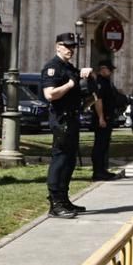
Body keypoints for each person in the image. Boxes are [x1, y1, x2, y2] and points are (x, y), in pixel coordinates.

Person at [40, 32, 87, 218]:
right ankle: (55, 203)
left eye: (73, 46)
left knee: (69, 160)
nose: (71, 50)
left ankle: (64, 199)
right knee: (59, 160)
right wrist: (69, 84)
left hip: (72, 118)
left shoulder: (68, 67)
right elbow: (49, 94)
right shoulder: (53, 67)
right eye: (67, 46)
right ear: (57, 46)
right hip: (61, 120)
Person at [88, 57, 125, 181]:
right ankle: (98, 172)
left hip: (107, 117)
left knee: (104, 145)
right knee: (100, 145)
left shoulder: (106, 82)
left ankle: (102, 170)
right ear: (103, 69)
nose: (111, 72)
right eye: (110, 70)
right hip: (102, 118)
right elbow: (98, 100)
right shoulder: (100, 83)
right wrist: (101, 118)